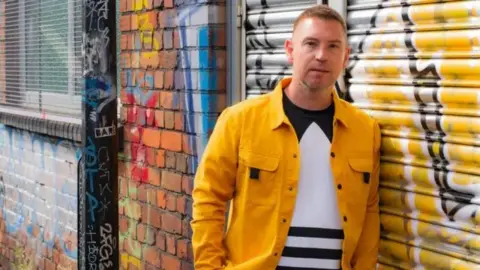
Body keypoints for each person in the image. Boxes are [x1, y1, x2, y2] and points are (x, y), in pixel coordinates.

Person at [191, 4, 381, 270]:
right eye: (311, 44)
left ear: (346, 56)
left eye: (333, 46)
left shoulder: (365, 130)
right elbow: (208, 199)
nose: (321, 55)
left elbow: (370, 213)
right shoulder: (240, 121)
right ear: (290, 50)